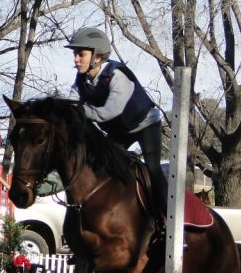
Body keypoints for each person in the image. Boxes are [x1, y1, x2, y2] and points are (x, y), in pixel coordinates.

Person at [65, 27, 167, 220]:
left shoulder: (117, 75)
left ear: (97, 56)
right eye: (75, 55)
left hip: (145, 124)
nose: (76, 59)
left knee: (153, 169)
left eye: (81, 54)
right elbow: (71, 105)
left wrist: (80, 111)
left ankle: (167, 216)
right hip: (121, 131)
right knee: (103, 167)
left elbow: (108, 113)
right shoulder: (81, 79)